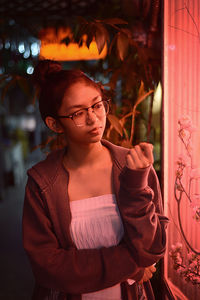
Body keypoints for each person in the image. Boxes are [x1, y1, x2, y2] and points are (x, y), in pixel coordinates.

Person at [22, 60, 169, 300]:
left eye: (97, 105)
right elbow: (47, 266)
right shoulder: (42, 183)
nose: (93, 119)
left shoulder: (133, 165)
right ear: (54, 124)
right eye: (78, 113)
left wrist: (135, 187)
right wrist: (131, 263)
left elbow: (154, 247)